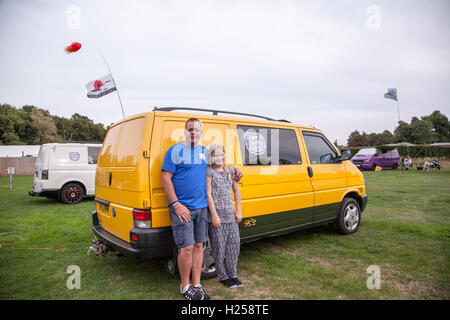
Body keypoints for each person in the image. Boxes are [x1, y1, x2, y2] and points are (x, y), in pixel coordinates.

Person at [161, 118, 242, 300]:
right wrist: (176, 204)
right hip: (183, 208)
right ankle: (185, 286)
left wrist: (236, 169)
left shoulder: (205, 152)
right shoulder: (175, 151)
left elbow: (220, 164)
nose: (193, 132)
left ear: (200, 132)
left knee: (199, 245)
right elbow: (166, 179)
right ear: (185, 130)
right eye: (190, 129)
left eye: (196, 130)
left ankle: (197, 285)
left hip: (202, 208)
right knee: (187, 248)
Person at [206, 143, 243, 288]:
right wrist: (214, 216)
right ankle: (223, 276)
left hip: (231, 216)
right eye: (215, 154)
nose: (219, 157)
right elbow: (208, 193)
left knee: (234, 246)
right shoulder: (209, 171)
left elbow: (237, 191)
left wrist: (238, 210)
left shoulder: (230, 170)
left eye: (221, 154)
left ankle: (233, 274)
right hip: (217, 218)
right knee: (219, 249)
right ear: (211, 156)